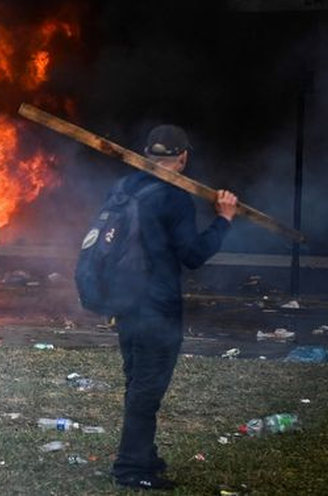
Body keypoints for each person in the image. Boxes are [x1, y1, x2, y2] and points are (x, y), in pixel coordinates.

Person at [110, 125, 238, 491]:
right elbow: (193, 255)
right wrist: (224, 219)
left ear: (148, 153)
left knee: (138, 381)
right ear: (182, 157)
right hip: (156, 306)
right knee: (147, 387)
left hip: (125, 301)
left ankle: (144, 456)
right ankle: (131, 468)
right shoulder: (174, 196)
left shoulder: (123, 187)